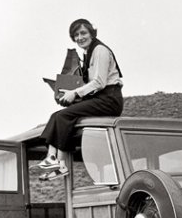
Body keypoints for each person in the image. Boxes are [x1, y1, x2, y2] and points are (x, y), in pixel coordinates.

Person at [38, 18, 124, 180]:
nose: (80, 37)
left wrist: (75, 94)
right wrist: (67, 94)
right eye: (76, 35)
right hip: (100, 97)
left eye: (83, 33)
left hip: (109, 99)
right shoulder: (88, 53)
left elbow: (99, 82)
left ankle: (57, 163)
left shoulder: (100, 50)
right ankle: (55, 161)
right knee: (59, 116)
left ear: (91, 33)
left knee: (64, 116)